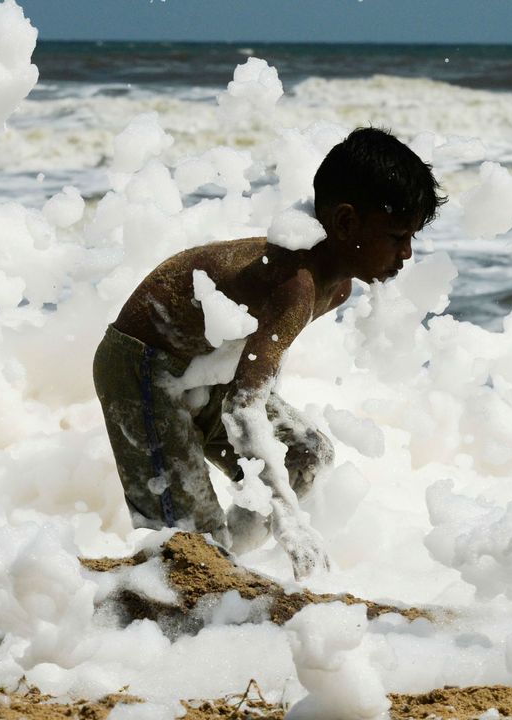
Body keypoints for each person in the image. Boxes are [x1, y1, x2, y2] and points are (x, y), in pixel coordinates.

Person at [92, 127, 444, 578]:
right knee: (186, 547)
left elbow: (257, 373)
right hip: (140, 365)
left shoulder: (337, 288)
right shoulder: (297, 286)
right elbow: (243, 408)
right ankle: (199, 566)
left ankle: (229, 562)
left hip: (203, 370)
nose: (407, 253)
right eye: (397, 235)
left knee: (304, 454)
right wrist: (290, 522)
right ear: (346, 223)